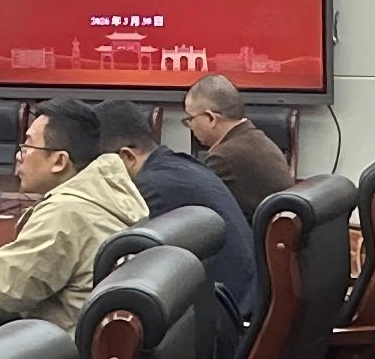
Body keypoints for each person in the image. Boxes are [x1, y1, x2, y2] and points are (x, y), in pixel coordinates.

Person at [0, 97, 148, 328]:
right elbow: (54, 264)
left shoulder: (65, 211)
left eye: (27, 147)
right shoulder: (107, 194)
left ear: (59, 161)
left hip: (59, 345)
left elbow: (3, 293)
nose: (19, 156)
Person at [93, 98, 262, 328]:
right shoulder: (182, 166)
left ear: (127, 157)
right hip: (243, 306)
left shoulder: (149, 190)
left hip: (228, 324)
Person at [183, 73, 295, 211]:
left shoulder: (224, 158)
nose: (190, 125)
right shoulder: (258, 139)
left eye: (191, 118)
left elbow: (195, 206)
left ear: (211, 118)